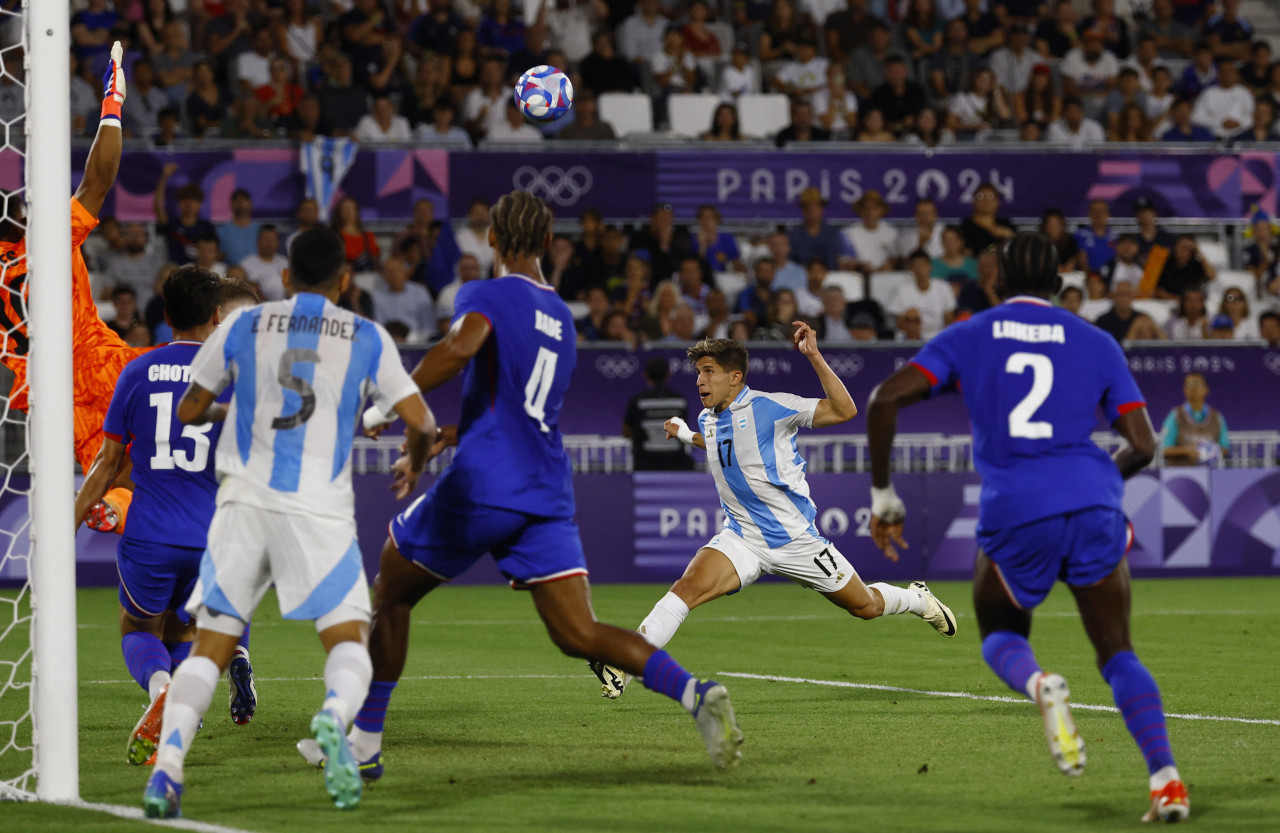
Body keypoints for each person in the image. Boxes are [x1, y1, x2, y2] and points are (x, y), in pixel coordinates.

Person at [298, 191, 744, 780]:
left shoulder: (487, 292)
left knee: (392, 590)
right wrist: (444, 435)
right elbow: (518, 411)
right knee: (577, 632)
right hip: (544, 489)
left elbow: (459, 349)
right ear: (545, 241)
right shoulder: (561, 316)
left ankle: (364, 741)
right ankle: (693, 693)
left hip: (484, 483)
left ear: (494, 239)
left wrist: (390, 405)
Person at [865, 232, 1189, 824]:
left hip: (1017, 508)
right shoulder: (1096, 341)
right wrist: (1099, 485)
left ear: (997, 283)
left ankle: (1041, 686)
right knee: (1118, 652)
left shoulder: (970, 334)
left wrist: (885, 496)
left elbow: (884, 401)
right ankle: (1166, 782)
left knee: (1000, 633)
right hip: (1093, 503)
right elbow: (1143, 445)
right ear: (1063, 287)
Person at [142, 226, 437, 818]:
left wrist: (237, 406)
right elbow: (423, 423)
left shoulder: (244, 325)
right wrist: (413, 464)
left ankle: (168, 770)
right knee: (348, 638)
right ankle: (331, 718)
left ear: (284, 276)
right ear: (345, 280)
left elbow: (191, 409)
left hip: (244, 505)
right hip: (318, 511)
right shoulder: (367, 335)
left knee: (209, 647)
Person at [590, 335, 955, 700]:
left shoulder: (771, 407)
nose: (699, 380)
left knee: (867, 606)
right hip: (743, 537)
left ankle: (918, 600)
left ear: (735, 377)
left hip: (797, 540)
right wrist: (685, 433)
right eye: (698, 372)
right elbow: (717, 442)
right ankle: (623, 661)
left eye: (708, 371)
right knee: (685, 589)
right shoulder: (708, 417)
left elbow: (844, 410)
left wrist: (813, 355)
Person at [74, 269, 261, 767]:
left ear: (167, 314)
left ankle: (160, 689)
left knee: (137, 627)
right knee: (185, 630)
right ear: (217, 316)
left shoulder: (137, 371)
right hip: (213, 535)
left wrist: (65, 523)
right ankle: (207, 681)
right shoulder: (235, 376)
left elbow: (108, 465)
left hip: (151, 533)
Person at [624, 356, 695, 471]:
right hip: (676, 463)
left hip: (645, 464)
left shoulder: (638, 401)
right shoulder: (680, 401)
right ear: (668, 374)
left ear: (646, 375)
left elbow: (626, 432)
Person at [1161, 372, 1229, 466]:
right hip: (1180, 475)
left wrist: (1212, 452)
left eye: (1198, 384)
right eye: (1190, 385)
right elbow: (1165, 450)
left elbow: (1225, 448)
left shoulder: (1217, 417)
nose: (1194, 388)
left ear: (1206, 389)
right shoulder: (1175, 416)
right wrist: (1186, 451)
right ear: (1184, 389)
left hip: (1211, 475)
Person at [891, 250, 956, 339]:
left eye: (923, 265)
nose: (920, 269)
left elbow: (949, 320)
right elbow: (900, 323)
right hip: (911, 338)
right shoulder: (902, 290)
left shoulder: (944, 287)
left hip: (937, 337)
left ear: (930, 266)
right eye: (916, 266)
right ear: (911, 268)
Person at [787, 188, 853, 270]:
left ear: (822, 209)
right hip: (801, 279)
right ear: (803, 210)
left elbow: (846, 258)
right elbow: (788, 262)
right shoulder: (793, 234)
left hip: (831, 278)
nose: (812, 211)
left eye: (816, 207)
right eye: (808, 207)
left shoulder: (835, 233)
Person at [844, 190, 898, 273]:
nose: (869, 212)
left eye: (874, 209)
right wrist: (859, 266)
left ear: (881, 211)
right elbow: (844, 261)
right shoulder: (849, 233)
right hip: (857, 276)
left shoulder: (891, 232)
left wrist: (886, 267)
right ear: (860, 211)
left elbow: (896, 259)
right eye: (866, 208)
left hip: (883, 276)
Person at [960, 183, 1015, 256]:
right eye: (980, 196)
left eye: (990, 196)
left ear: (998, 202)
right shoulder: (966, 227)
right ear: (974, 201)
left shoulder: (1006, 224)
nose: (985, 201)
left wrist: (1008, 235)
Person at [1155, 234, 1214, 299]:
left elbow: (1212, 276)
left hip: (1191, 302)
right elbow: (1157, 290)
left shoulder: (1197, 265)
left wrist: (1198, 251)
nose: (1183, 249)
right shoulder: (1164, 264)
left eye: (1187, 247)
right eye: (1180, 246)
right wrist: (1178, 299)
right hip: (1165, 302)